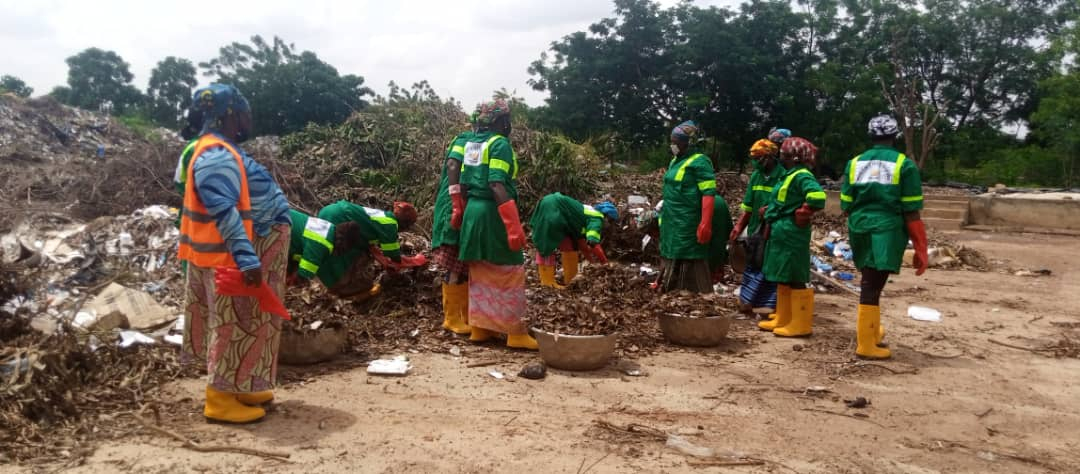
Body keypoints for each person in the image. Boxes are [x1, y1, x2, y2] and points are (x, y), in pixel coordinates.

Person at [179, 84, 292, 424]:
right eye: (244, 112)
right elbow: (224, 211)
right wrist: (246, 258)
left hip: (247, 249)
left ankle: (242, 385)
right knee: (233, 323)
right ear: (230, 114)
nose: (248, 118)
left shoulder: (222, 150)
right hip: (230, 258)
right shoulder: (214, 154)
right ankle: (220, 398)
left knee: (251, 322)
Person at [841, 114, 928, 359]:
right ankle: (866, 344)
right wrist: (921, 249)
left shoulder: (854, 163)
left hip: (859, 226)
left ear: (871, 136)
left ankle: (872, 333)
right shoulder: (904, 165)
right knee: (871, 285)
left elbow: (846, 204)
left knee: (871, 281)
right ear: (895, 135)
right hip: (887, 230)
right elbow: (912, 212)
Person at [457, 99, 537, 350]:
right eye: (507, 119)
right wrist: (513, 226)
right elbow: (496, 184)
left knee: (481, 269)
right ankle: (515, 333)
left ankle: (480, 328)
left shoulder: (473, 143)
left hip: (473, 211)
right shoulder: (500, 144)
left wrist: (460, 208)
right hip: (493, 213)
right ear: (502, 121)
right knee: (509, 270)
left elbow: (463, 181)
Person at [758, 137, 827, 337]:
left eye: (784, 155)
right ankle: (783, 317)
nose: (781, 157)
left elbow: (818, 197)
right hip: (781, 231)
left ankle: (800, 324)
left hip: (792, 233)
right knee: (783, 276)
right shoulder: (790, 174)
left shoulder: (802, 175)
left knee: (795, 276)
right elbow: (784, 200)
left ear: (795, 157)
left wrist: (803, 212)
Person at [658, 120, 718, 293]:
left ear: (689, 143)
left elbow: (708, 193)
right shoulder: (674, 161)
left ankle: (698, 294)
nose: (673, 145)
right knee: (672, 254)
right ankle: (671, 291)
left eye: (677, 142)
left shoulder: (700, 162)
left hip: (688, 221)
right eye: (672, 141)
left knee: (691, 255)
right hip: (672, 220)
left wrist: (705, 223)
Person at [432, 112, 478, 335]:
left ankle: (464, 315)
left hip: (465, 205)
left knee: (464, 262)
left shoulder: (480, 144)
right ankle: (451, 318)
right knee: (454, 261)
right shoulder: (465, 139)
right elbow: (453, 164)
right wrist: (457, 201)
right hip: (453, 205)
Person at [316, 200, 418, 300]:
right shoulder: (390, 224)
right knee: (346, 254)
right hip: (340, 217)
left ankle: (327, 284)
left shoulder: (382, 216)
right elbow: (393, 255)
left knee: (327, 251)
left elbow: (369, 244)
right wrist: (414, 261)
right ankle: (344, 288)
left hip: (328, 211)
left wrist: (385, 262)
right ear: (405, 223)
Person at [730, 139, 785, 317]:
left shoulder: (783, 176)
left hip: (775, 231)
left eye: (759, 158)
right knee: (753, 263)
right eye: (753, 158)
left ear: (770, 157)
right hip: (756, 230)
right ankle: (747, 302)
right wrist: (738, 227)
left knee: (769, 267)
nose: (755, 162)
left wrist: (771, 210)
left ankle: (768, 306)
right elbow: (748, 207)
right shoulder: (756, 176)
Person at [529, 193, 614, 289]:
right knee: (547, 243)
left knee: (571, 244)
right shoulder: (597, 218)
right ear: (607, 217)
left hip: (557, 210)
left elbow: (583, 245)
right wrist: (605, 263)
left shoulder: (586, 213)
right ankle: (548, 282)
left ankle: (570, 279)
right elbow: (593, 242)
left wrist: (592, 262)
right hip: (554, 208)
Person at [286, 209, 367, 291]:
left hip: (283, 217)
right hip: (278, 225)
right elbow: (304, 275)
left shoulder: (329, 228)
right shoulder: (322, 244)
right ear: (342, 244)